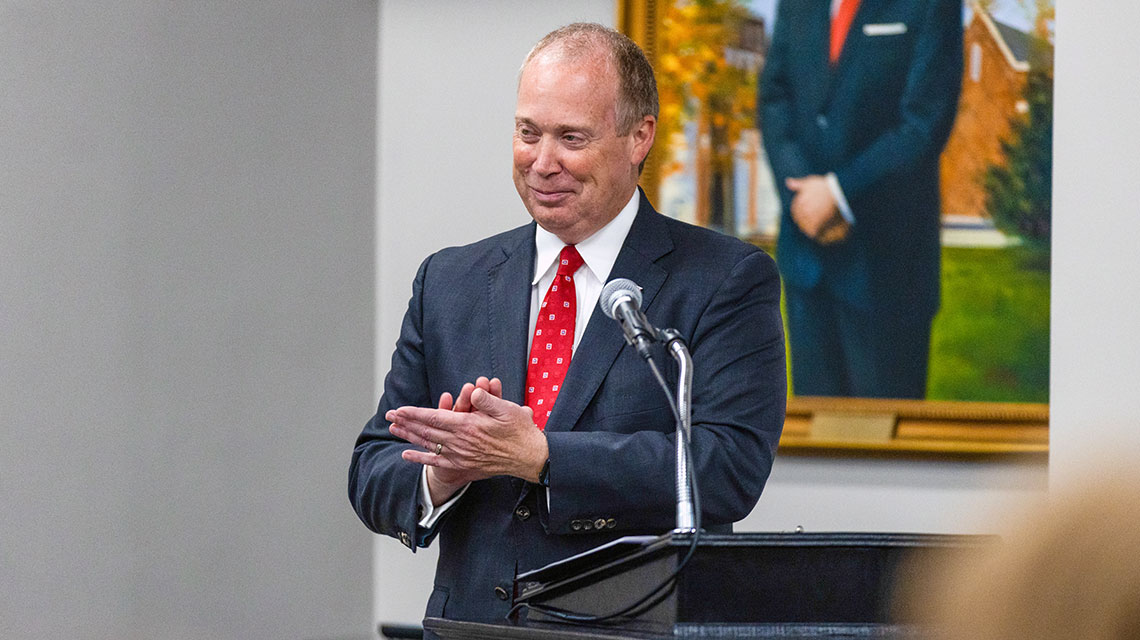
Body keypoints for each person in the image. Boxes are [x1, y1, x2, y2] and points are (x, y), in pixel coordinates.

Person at [348, 23, 786, 631]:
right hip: (472, 627)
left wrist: (545, 456)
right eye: (528, 133)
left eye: (571, 138)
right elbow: (372, 466)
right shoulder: (450, 280)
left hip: (628, 627)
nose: (542, 162)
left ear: (639, 137)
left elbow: (727, 468)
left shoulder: (724, 279)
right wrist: (440, 473)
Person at [759, 0, 963, 398]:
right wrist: (800, 192)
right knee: (817, 452)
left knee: (889, 452)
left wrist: (837, 194)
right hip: (807, 265)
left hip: (887, 271)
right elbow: (775, 98)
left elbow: (924, 123)